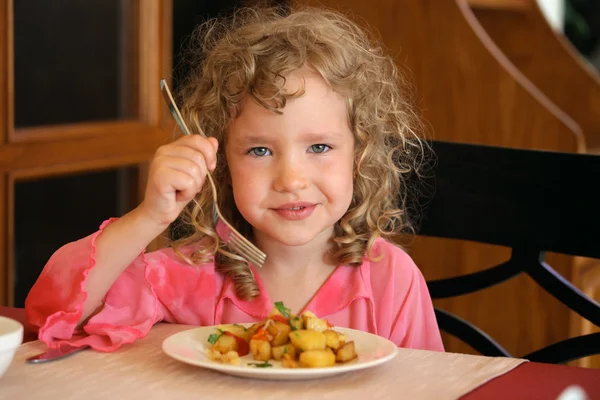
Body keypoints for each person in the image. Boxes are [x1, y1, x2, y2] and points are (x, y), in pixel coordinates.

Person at [25, 6, 444, 353]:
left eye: (319, 148)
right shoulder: (193, 273)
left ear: (360, 154)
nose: (291, 179)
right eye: (259, 151)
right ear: (222, 162)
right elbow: (53, 315)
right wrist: (150, 216)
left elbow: (435, 385)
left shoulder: (390, 278)